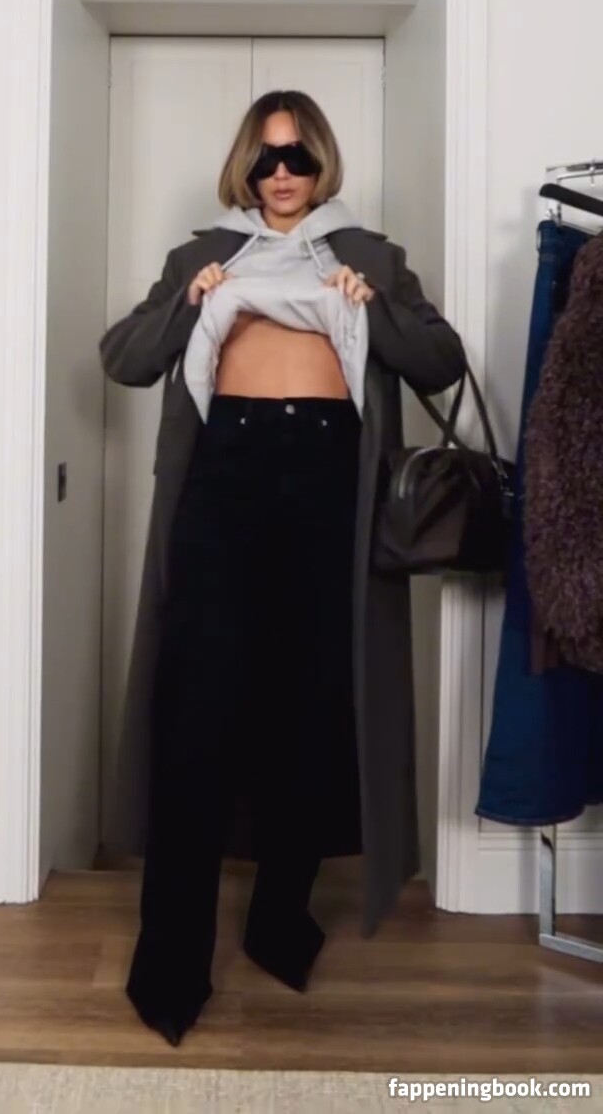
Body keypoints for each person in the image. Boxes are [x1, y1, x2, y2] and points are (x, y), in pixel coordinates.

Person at [99, 90, 465, 1048]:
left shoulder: (371, 255)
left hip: (331, 480)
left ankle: (278, 922)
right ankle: (169, 965)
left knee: (311, 704)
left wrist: (374, 308)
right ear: (245, 168)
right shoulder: (202, 255)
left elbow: (439, 361)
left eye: (297, 155)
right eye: (265, 158)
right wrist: (187, 301)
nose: (282, 174)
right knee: (198, 708)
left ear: (321, 161)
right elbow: (124, 359)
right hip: (226, 474)